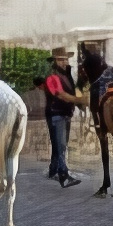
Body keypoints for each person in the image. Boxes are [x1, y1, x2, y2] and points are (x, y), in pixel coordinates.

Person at [42, 47, 84, 188]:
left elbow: (71, 92)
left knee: (59, 145)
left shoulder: (66, 75)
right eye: (61, 59)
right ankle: (64, 176)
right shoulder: (52, 76)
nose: (64, 62)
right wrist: (81, 101)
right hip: (56, 114)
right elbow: (61, 95)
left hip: (65, 114)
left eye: (65, 59)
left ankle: (53, 170)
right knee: (60, 146)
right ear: (54, 61)